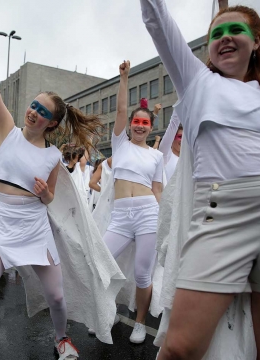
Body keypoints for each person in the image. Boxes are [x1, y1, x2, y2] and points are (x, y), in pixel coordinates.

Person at [141, 0, 260, 358]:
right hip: (223, 213)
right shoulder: (196, 80)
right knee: (179, 349)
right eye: (216, 33)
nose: (224, 38)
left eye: (235, 30)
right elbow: (157, 19)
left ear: (256, 41)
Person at [0, 14, 107, 360]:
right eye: (33, 104)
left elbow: (51, 197)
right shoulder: (7, 130)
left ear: (52, 122)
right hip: (0, 224)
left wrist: (45, 194)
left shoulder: (54, 156)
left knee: (56, 296)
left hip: (34, 227)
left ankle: (61, 339)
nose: (33, 111)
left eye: (42, 111)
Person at [99, 60, 164, 344]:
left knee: (141, 273)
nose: (139, 126)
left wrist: (164, 223)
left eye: (144, 122)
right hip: (121, 216)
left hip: (149, 214)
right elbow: (121, 110)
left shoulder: (157, 156)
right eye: (136, 122)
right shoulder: (120, 144)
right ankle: (106, 313)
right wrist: (124, 78)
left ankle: (139, 323)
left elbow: (159, 190)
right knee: (102, 264)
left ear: (151, 127)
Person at [158, 114, 182, 181]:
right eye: (180, 137)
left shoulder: (188, 159)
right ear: (172, 138)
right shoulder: (167, 156)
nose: (182, 141)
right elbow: (173, 125)